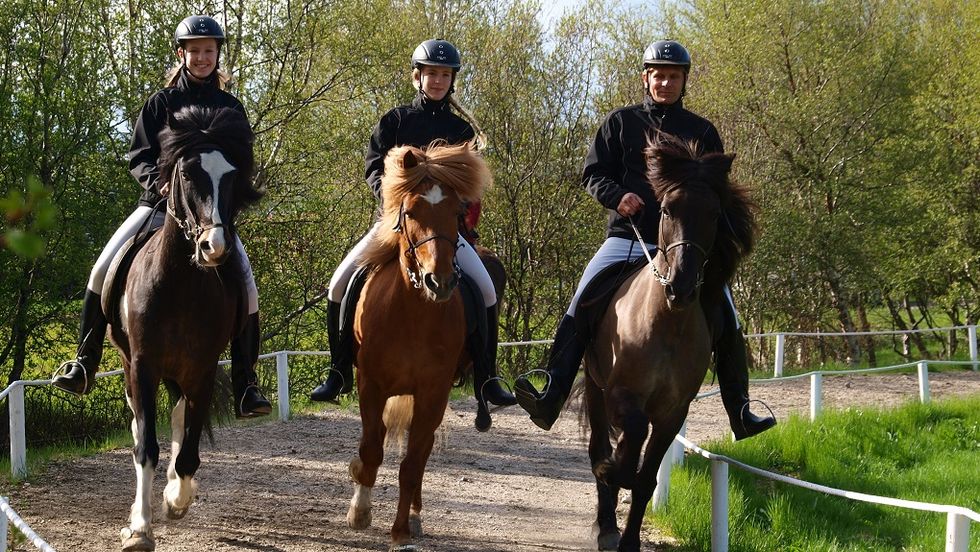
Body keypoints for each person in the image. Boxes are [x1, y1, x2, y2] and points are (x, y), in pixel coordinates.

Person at [514, 40, 776, 439]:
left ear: (684, 80)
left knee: (728, 314)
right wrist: (618, 197)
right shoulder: (621, 122)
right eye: (659, 75)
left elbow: (715, 193)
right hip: (629, 237)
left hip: (686, 247)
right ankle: (552, 390)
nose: (665, 82)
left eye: (673, 76)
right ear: (646, 78)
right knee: (582, 297)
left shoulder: (703, 131)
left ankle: (740, 409)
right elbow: (592, 174)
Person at [51, 15, 272, 418]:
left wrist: (224, 204)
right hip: (157, 208)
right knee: (102, 268)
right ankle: (84, 361)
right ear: (181, 54)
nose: (203, 58)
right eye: (195, 51)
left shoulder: (231, 108)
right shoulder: (161, 103)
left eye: (209, 51)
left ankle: (246, 383)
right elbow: (138, 156)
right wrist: (162, 185)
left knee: (248, 286)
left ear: (218, 54)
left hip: (211, 216)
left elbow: (241, 164)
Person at [310, 39, 516, 409]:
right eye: (431, 74)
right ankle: (338, 369)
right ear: (417, 77)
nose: (437, 81)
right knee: (340, 283)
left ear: (452, 80)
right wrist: (390, 199)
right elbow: (375, 168)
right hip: (394, 224)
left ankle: (487, 377)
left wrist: (458, 211)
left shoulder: (460, 130)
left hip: (445, 231)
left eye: (444, 74)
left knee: (485, 289)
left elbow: (469, 186)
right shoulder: (395, 121)